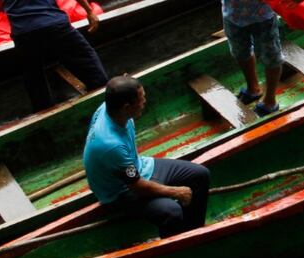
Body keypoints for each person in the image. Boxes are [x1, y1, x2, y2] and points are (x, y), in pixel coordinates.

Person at [83, 75, 210, 238]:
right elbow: (137, 186)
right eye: (141, 99)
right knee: (171, 212)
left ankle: (193, 233)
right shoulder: (111, 145)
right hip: (120, 191)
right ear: (126, 107)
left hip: (140, 167)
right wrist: (176, 192)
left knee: (201, 175)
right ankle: (175, 245)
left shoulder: (109, 107)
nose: (144, 102)